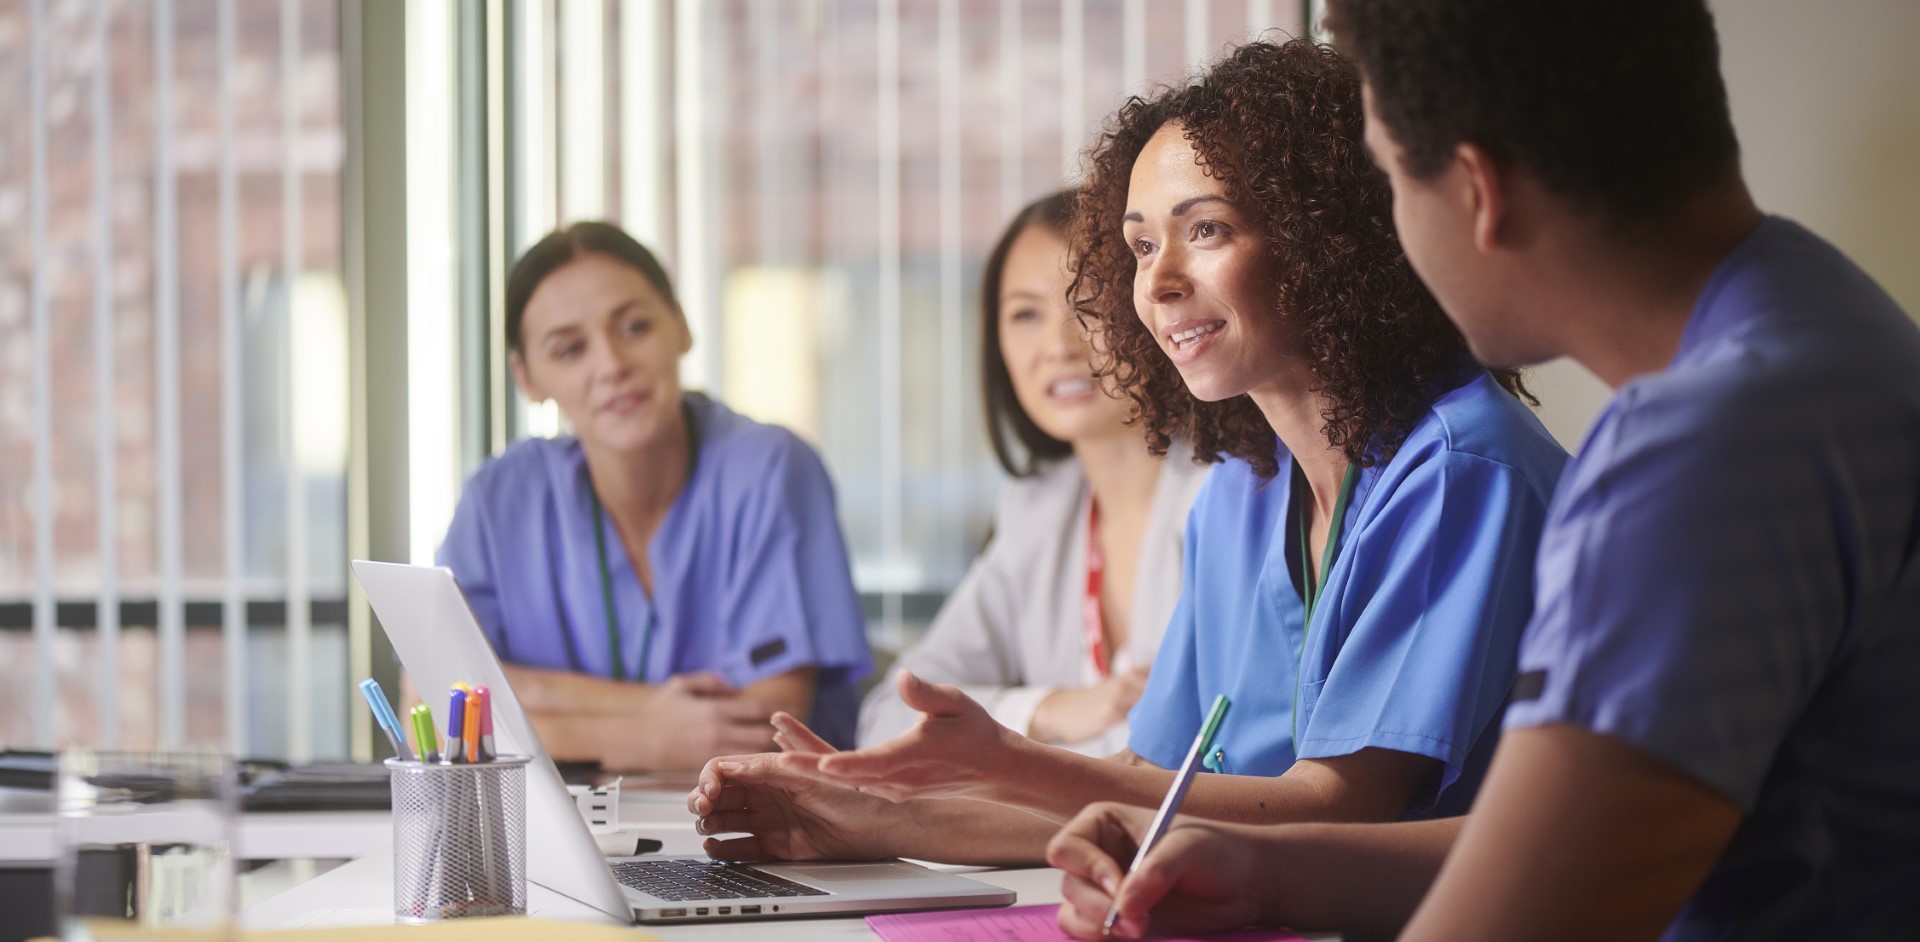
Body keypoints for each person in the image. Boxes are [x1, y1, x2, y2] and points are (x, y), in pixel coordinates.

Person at [1046, 2, 1920, 940]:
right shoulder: (1829, 326)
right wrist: (1261, 872)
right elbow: (1569, 840)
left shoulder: (1703, 449)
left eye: (1389, 183)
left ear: (1476, 191)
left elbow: (1555, 897)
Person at [687, 39, 1567, 867]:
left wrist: (1010, 760)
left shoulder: (1460, 469)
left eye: (1206, 230)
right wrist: (872, 822)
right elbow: (1151, 781)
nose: (1158, 280)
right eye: (1141, 245)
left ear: (1321, 236)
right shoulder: (1244, 490)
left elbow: (1343, 805)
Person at [437, 222, 872, 772]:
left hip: (757, 822)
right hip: (568, 819)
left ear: (681, 326)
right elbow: (435, 711)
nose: (612, 365)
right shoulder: (498, 502)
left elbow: (764, 733)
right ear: (527, 379)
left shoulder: (770, 470)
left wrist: (524, 696)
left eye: (635, 327)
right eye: (570, 349)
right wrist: (647, 732)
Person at [859, 191, 1210, 756]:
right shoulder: (1039, 507)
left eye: (1089, 306)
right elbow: (890, 714)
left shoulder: (1228, 491)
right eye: (1025, 315)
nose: (1057, 346)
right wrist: (1048, 710)